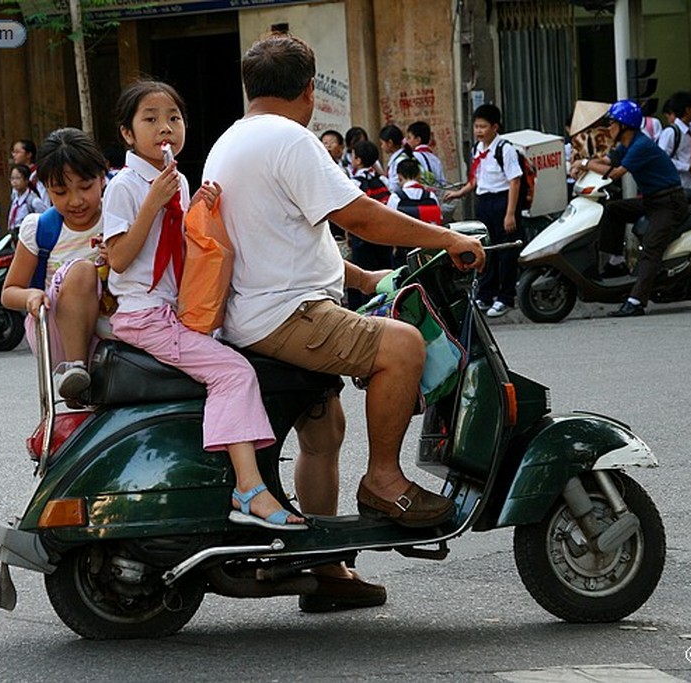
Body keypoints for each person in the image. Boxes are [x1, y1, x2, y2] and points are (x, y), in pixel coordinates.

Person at [201, 33, 485, 611]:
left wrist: (365, 280)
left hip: (259, 313)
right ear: (309, 92)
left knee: (324, 433)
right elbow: (361, 217)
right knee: (402, 347)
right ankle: (385, 481)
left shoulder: (230, 141)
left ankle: (324, 569)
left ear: (249, 89)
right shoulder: (291, 139)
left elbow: (287, 241)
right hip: (287, 316)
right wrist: (448, 236)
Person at [102, 79, 303, 530]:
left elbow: (184, 246)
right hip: (144, 315)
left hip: (175, 310)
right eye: (149, 120)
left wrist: (195, 207)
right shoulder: (125, 186)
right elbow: (118, 257)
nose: (165, 128)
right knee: (232, 371)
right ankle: (248, 488)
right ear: (127, 134)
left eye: (173, 118)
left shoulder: (177, 181)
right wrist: (153, 204)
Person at [1, 128, 120, 401]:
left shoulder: (120, 218)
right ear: (46, 189)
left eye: (86, 187)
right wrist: (31, 295)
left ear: (103, 178)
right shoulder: (40, 229)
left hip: (116, 325)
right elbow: (9, 292)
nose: (76, 201)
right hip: (59, 333)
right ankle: (76, 374)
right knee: (81, 271)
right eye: (61, 192)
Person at [570, 100, 688, 318]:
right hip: (652, 200)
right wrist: (581, 165)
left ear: (624, 125)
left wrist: (585, 164)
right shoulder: (626, 144)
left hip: (669, 203)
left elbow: (615, 173)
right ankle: (616, 263)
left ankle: (636, 301)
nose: (608, 128)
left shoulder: (641, 145)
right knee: (613, 210)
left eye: (612, 123)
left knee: (652, 248)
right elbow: (606, 160)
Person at [444, 104, 522, 317]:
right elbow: (476, 180)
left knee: (505, 251)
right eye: (476, 126)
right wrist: (460, 193)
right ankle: (486, 295)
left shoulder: (505, 149)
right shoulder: (477, 150)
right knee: (485, 249)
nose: (478, 131)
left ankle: (506, 297)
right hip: (484, 202)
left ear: (495, 127)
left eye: (483, 126)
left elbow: (515, 181)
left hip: (502, 201)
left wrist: (510, 213)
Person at [346, 140, 392, 308]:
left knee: (363, 274)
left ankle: (365, 309)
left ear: (358, 160)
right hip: (383, 234)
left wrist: (348, 233)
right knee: (384, 272)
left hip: (362, 236)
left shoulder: (354, 182)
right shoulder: (382, 181)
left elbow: (349, 210)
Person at [387, 157, 442, 267]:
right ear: (418, 175)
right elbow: (439, 221)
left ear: (399, 176)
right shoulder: (430, 196)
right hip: (427, 249)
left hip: (403, 250)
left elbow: (389, 224)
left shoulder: (396, 198)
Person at [657, 91, 691, 200]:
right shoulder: (671, 132)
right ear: (687, 110)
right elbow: (662, 160)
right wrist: (688, 167)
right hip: (679, 186)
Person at [7, 163, 45, 234]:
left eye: (18, 178)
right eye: (12, 178)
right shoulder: (15, 199)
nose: (14, 182)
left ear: (26, 180)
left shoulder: (34, 201)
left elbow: (45, 220)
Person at [404, 120, 445, 188]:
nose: (406, 141)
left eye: (409, 138)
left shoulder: (413, 156)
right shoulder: (435, 159)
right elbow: (442, 182)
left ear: (418, 140)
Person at [11, 138, 49, 208]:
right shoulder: (16, 172)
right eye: (13, 152)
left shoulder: (37, 174)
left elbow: (45, 199)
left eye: (17, 152)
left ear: (29, 154)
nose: (14, 155)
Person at [378, 123, 408, 193]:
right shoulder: (396, 158)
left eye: (382, 143)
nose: (381, 146)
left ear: (390, 143)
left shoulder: (399, 161)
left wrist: (381, 179)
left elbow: (395, 187)